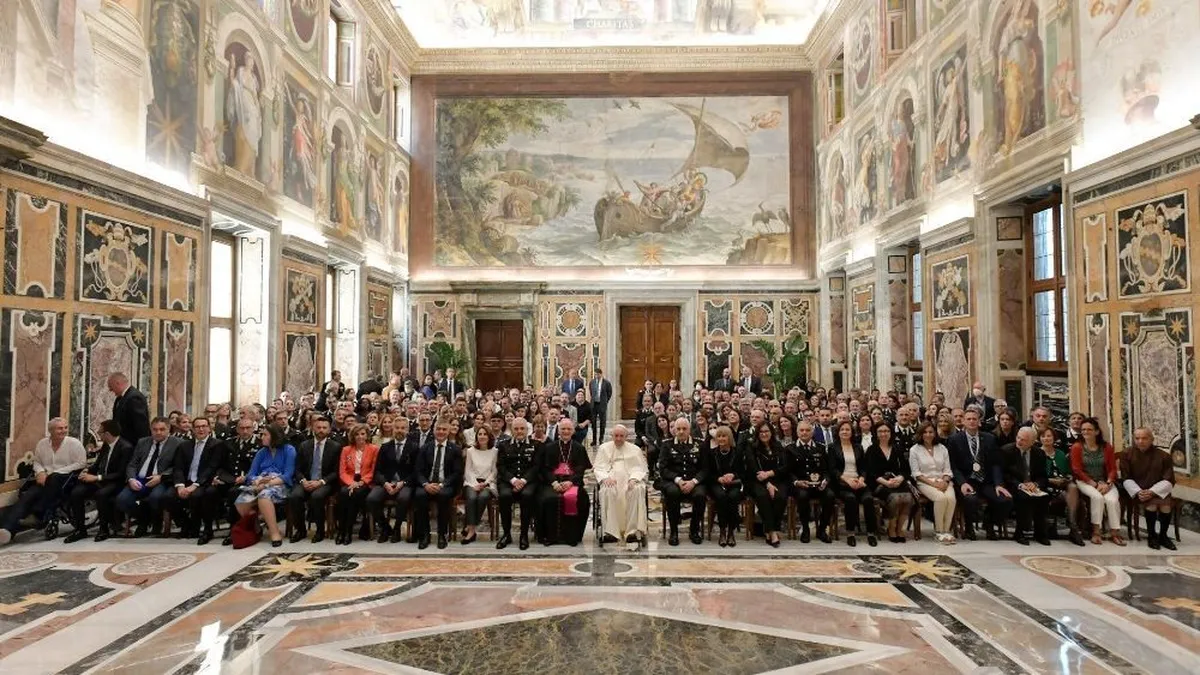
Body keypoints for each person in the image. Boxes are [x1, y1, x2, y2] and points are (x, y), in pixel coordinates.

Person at [0, 418, 87, 545]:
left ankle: (39, 515)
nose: (64, 431)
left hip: (66, 480)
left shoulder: (74, 444)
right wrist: (40, 472)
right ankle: (7, 530)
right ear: (50, 430)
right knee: (28, 496)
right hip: (45, 480)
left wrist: (56, 472)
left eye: (65, 428)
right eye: (60, 428)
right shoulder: (42, 444)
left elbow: (81, 463)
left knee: (54, 478)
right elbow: (37, 462)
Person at [65, 419, 132, 543]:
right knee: (76, 492)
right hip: (101, 480)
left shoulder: (126, 447)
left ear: (107, 434)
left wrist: (97, 478)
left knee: (101, 494)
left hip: (116, 482)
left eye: (100, 432)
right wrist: (87, 471)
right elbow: (97, 465)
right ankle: (80, 529)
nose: (98, 435)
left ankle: (104, 529)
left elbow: (121, 474)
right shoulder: (106, 445)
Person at [117, 417, 182, 537]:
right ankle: (144, 519)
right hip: (140, 479)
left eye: (162, 429)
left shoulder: (177, 443)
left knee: (155, 498)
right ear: (150, 430)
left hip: (160, 480)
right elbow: (132, 464)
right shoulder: (143, 442)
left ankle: (155, 522)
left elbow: (178, 466)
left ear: (169, 429)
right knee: (123, 500)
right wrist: (131, 479)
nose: (158, 432)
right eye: (155, 429)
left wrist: (161, 477)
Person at [233, 425, 296, 547]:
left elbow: (288, 475)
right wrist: (258, 481)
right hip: (261, 483)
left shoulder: (289, 450)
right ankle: (258, 525)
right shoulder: (261, 452)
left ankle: (274, 533)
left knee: (264, 496)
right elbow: (251, 474)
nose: (261, 437)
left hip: (280, 484)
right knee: (241, 501)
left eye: (265, 435)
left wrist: (268, 483)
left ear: (275, 436)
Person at [167, 416, 227, 543]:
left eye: (204, 426)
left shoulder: (217, 445)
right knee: (168, 496)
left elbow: (212, 468)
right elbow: (178, 467)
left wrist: (195, 485)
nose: (201, 429)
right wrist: (180, 485)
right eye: (197, 427)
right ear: (193, 429)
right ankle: (186, 524)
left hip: (205, 481)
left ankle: (204, 529)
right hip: (186, 481)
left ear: (209, 428)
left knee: (197, 495)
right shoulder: (184, 445)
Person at [947, 408, 1003, 540]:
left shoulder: (990, 438)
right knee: (970, 499)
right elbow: (953, 466)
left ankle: (989, 523)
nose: (972, 421)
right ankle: (969, 527)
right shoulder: (954, 440)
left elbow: (996, 463)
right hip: (967, 480)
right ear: (963, 421)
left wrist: (998, 484)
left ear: (979, 422)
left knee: (1004, 500)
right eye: (969, 419)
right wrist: (962, 483)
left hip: (985, 480)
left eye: (974, 419)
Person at [1070, 417, 1125, 546]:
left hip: (1105, 481)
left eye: (1089, 429)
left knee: (1112, 500)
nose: (1085, 432)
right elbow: (1077, 470)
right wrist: (1094, 484)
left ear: (1097, 431)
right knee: (1097, 497)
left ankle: (1115, 533)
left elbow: (1112, 468)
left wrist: (1108, 483)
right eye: (1083, 429)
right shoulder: (1077, 447)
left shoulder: (1106, 447)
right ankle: (1096, 532)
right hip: (1084, 481)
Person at [536, 418, 591, 546]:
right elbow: (545, 469)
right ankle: (550, 536)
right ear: (558, 431)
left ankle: (571, 536)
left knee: (580, 499)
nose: (566, 431)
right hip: (552, 483)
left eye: (569, 429)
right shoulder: (549, 447)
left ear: (573, 431)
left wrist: (570, 482)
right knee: (548, 499)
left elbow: (581, 469)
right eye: (563, 429)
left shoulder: (579, 448)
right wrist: (554, 482)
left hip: (573, 483)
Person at [1120, 427, 1176, 550]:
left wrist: (1152, 491)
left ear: (1152, 439)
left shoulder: (1163, 456)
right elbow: (1126, 477)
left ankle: (1163, 536)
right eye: (1137, 438)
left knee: (1165, 507)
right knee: (1151, 506)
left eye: (1144, 438)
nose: (1140, 441)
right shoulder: (1126, 454)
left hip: (1158, 490)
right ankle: (1152, 536)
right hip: (1137, 490)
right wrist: (1139, 492)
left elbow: (1169, 479)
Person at [593, 425, 648, 550]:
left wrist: (634, 478)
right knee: (608, 490)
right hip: (611, 477)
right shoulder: (604, 448)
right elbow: (599, 468)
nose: (618, 439)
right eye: (616, 436)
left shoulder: (635, 450)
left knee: (636, 490)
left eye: (621, 436)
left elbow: (640, 468)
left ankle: (632, 531)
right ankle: (610, 532)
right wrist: (605, 478)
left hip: (630, 477)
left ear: (626, 437)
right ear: (611, 436)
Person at [994, 427, 1051, 546]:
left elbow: (1043, 476)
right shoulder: (1006, 451)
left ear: (1032, 442)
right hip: (1013, 485)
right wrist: (1020, 485)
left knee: (1044, 497)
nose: (1019, 441)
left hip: (1032, 486)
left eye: (1023, 440)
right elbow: (1005, 474)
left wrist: (1035, 484)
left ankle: (1040, 534)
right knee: (1024, 497)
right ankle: (1020, 533)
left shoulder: (1039, 453)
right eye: (1018, 437)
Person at [658, 417, 708, 546]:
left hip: (694, 481)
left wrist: (693, 482)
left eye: (684, 429)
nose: (681, 431)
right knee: (672, 493)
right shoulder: (667, 445)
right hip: (674, 481)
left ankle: (694, 530)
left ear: (689, 430)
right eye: (678, 429)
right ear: (674, 430)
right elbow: (663, 468)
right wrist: (678, 480)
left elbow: (705, 468)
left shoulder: (700, 444)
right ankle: (674, 531)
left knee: (700, 495)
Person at [414, 420, 463, 549]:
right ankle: (425, 534)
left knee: (443, 496)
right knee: (420, 495)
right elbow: (418, 471)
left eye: (444, 429)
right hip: (427, 483)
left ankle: (442, 534)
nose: (441, 432)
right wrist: (425, 484)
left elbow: (457, 473)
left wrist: (442, 484)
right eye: (438, 429)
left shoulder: (455, 449)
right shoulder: (425, 448)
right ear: (434, 430)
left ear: (448, 431)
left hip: (445, 485)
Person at [367, 416, 416, 544]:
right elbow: (378, 470)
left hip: (405, 483)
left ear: (407, 430)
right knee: (372, 498)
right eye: (397, 428)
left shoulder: (414, 447)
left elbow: (416, 472)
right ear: (393, 429)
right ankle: (385, 527)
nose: (399, 430)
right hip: (386, 482)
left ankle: (397, 528)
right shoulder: (385, 447)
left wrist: (403, 483)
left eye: (403, 428)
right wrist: (385, 483)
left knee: (403, 498)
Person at [829, 420, 876, 547]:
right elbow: (833, 469)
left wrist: (861, 479)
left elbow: (863, 467)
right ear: (838, 432)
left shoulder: (858, 447)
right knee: (851, 499)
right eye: (842, 429)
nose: (845, 432)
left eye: (847, 429)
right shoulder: (832, 447)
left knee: (868, 499)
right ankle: (851, 533)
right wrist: (847, 480)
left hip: (858, 481)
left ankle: (871, 533)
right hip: (842, 483)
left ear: (852, 432)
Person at [865, 422, 913, 544]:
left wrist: (900, 478)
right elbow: (871, 473)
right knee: (896, 498)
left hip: (897, 481)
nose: (884, 434)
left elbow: (906, 469)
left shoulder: (897, 448)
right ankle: (891, 527)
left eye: (886, 431)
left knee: (908, 498)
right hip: (880, 483)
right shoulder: (871, 450)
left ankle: (899, 528)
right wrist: (887, 483)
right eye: (880, 431)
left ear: (891, 433)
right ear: (876, 434)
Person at [496, 417, 539, 550]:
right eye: (516, 429)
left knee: (527, 495)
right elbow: (501, 466)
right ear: (511, 430)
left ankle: (523, 535)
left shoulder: (536, 445)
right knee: (504, 496)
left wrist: (523, 481)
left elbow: (536, 466)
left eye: (522, 428)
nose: (519, 431)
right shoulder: (503, 445)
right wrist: (514, 480)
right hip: (508, 481)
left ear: (527, 429)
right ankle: (506, 534)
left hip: (528, 481)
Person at [909, 421, 957, 544]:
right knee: (941, 498)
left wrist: (945, 482)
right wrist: (934, 484)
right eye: (925, 432)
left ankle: (947, 531)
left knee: (951, 499)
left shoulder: (942, 448)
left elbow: (947, 470)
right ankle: (939, 531)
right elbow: (916, 474)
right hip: (925, 482)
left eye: (931, 432)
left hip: (943, 481)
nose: (928, 435)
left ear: (935, 433)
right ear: (920, 434)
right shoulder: (914, 450)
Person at [787, 420, 834, 543]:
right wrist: (796, 482)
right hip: (800, 486)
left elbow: (826, 470)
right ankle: (806, 529)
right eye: (802, 430)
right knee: (803, 496)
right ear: (797, 432)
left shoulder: (821, 447)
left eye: (807, 430)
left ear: (812, 432)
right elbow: (788, 471)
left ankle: (822, 530)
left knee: (830, 495)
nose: (804, 433)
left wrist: (825, 481)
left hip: (819, 485)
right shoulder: (790, 449)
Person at [1039, 426, 1084, 546]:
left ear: (1054, 438)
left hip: (1062, 485)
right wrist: (1051, 480)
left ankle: (1073, 527)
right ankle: (1073, 527)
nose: (1046, 438)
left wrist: (1066, 478)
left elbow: (1067, 472)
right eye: (1043, 436)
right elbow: (1036, 476)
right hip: (1046, 485)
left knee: (1073, 487)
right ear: (1039, 438)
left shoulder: (1060, 453)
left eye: (1049, 436)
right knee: (1068, 494)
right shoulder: (1037, 453)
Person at [335, 424, 380, 545]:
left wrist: (361, 482)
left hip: (366, 481)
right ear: (353, 436)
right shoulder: (346, 450)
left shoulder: (374, 449)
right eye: (357, 434)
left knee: (353, 495)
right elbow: (342, 472)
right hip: (349, 480)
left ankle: (346, 531)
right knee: (344, 493)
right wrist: (352, 483)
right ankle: (343, 531)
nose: (360, 437)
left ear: (367, 435)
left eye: (362, 434)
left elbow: (373, 471)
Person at [747, 423, 788, 547]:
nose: (764, 434)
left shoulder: (778, 446)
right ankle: (772, 532)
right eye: (761, 432)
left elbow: (784, 466)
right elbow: (753, 467)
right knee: (763, 496)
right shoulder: (752, 446)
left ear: (771, 432)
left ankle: (771, 528)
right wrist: (767, 484)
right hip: (757, 480)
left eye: (766, 431)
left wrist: (770, 473)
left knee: (780, 496)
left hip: (776, 478)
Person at [706, 425, 747, 547]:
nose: (721, 439)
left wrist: (733, 475)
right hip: (716, 483)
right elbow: (707, 473)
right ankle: (722, 530)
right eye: (719, 436)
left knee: (733, 497)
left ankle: (731, 532)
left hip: (734, 483)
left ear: (729, 437)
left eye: (724, 436)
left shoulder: (738, 452)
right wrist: (718, 478)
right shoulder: (712, 453)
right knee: (721, 496)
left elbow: (743, 472)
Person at [461, 426, 497, 545]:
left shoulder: (495, 451)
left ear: (489, 436)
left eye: (484, 434)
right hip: (471, 482)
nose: (482, 436)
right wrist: (475, 484)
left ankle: (469, 526)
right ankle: (472, 531)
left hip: (488, 483)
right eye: (480, 434)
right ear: (476, 437)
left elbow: (494, 471)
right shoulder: (471, 451)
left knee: (483, 497)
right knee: (471, 498)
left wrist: (485, 483)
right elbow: (468, 471)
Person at [109, 372, 150, 447]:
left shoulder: (135, 397)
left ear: (117, 383)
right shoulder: (120, 398)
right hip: (123, 445)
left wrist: (141, 448)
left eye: (111, 386)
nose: (110, 390)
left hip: (132, 445)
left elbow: (141, 426)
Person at [589, 368, 612, 446]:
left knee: (602, 422)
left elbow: (609, 393)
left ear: (601, 374)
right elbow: (591, 392)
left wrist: (605, 401)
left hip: (602, 405)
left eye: (598, 374)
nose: (596, 376)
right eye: (595, 374)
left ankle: (601, 439)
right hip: (594, 405)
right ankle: (594, 440)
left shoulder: (606, 383)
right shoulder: (592, 382)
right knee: (593, 422)